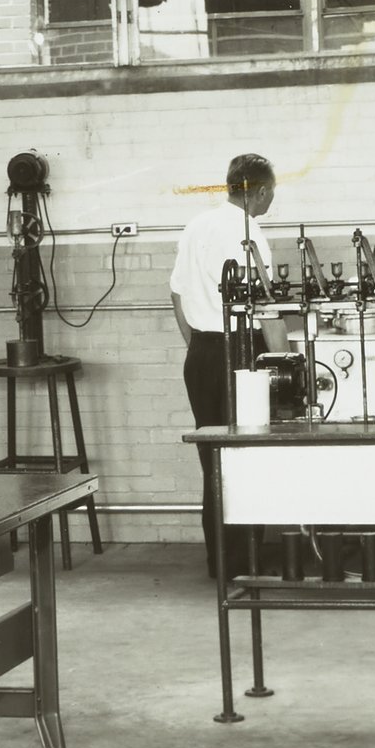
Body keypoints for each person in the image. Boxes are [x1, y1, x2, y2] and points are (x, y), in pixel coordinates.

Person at [168, 152, 275, 577]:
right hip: (242, 354)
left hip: (203, 355)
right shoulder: (250, 233)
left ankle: (221, 563)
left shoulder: (196, 225)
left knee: (214, 462)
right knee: (246, 461)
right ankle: (245, 560)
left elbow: (176, 294)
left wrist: (199, 347)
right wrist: (290, 363)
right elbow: (267, 308)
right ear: (260, 191)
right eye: (271, 193)